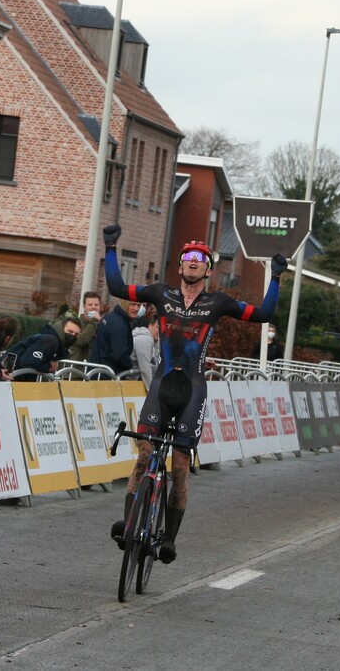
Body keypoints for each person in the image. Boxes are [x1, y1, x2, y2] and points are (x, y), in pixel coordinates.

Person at [103, 226, 286, 564]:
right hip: (161, 386)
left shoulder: (219, 302)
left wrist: (275, 277)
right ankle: (130, 524)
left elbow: (264, 315)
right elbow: (116, 287)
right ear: (180, 266)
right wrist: (111, 246)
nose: (191, 261)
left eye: (199, 258)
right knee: (144, 456)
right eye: (187, 256)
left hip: (192, 390)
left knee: (181, 466)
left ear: (208, 269)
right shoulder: (161, 293)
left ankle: (169, 539)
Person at [4, 318, 81, 381]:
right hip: (7, 379)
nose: (73, 336)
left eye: (76, 334)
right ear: (61, 328)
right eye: (70, 331)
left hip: (11, 379)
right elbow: (28, 362)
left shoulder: (52, 340)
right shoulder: (51, 341)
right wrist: (48, 367)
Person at [89, 299, 135, 376]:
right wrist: (130, 364)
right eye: (133, 304)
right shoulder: (119, 325)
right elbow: (120, 354)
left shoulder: (110, 317)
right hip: (107, 375)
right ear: (125, 304)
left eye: (139, 305)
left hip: (99, 370)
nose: (136, 308)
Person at [54, 292, 102, 363]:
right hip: (75, 369)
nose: (93, 307)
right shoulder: (76, 323)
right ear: (84, 306)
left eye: (96, 305)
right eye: (90, 304)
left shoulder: (102, 325)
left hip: (94, 369)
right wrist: (94, 321)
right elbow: (80, 341)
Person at [132, 312, 160, 388]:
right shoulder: (146, 339)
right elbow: (145, 369)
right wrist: (151, 393)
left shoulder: (151, 340)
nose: (159, 332)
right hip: (126, 379)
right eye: (157, 327)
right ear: (150, 326)